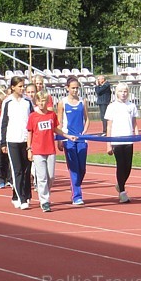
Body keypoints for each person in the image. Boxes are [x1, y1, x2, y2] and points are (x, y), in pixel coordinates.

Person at [27, 91, 76, 212]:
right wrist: (29, 149)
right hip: (38, 150)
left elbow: (56, 129)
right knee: (42, 177)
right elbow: (30, 132)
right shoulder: (33, 116)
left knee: (51, 176)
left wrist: (68, 136)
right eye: (40, 101)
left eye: (44, 100)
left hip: (50, 149)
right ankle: (44, 201)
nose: (42, 103)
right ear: (36, 102)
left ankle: (45, 193)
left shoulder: (51, 115)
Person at [0, 77, 33, 208]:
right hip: (12, 140)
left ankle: (21, 194)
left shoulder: (27, 102)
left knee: (26, 170)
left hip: (26, 140)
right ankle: (22, 198)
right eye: (19, 86)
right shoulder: (7, 102)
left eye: (23, 86)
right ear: (13, 87)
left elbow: (32, 120)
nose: (22, 88)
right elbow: (3, 123)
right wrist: (2, 143)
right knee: (17, 170)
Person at [104, 82, 139, 203]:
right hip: (116, 140)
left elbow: (134, 122)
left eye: (125, 91)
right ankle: (123, 192)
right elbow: (109, 126)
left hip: (129, 139)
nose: (123, 94)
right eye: (121, 91)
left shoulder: (132, 106)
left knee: (128, 166)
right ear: (116, 93)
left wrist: (136, 133)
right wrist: (108, 144)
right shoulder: (112, 107)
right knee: (120, 164)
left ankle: (120, 184)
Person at [57, 76, 90, 206]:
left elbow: (87, 119)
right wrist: (60, 139)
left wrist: (84, 131)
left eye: (77, 88)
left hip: (81, 139)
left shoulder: (83, 101)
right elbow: (59, 122)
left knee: (82, 168)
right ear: (67, 88)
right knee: (74, 168)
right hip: (68, 139)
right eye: (73, 88)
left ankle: (75, 185)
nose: (75, 90)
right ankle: (77, 195)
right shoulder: (63, 103)